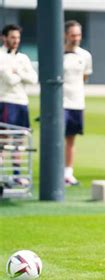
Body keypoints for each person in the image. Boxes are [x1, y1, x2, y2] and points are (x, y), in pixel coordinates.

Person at [0, 24, 38, 186]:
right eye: (12, 37)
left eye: (18, 38)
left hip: (22, 102)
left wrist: (18, 72)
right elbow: (10, 79)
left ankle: (17, 174)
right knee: (3, 139)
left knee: (19, 140)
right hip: (5, 101)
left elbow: (33, 79)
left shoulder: (23, 58)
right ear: (4, 38)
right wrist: (19, 75)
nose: (16, 41)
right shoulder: (1, 56)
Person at [63, 20, 93, 186]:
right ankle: (56, 171)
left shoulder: (85, 56)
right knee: (58, 139)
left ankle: (68, 173)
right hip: (61, 103)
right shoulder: (58, 54)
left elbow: (84, 77)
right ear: (66, 35)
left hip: (77, 103)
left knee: (71, 139)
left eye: (78, 35)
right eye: (73, 35)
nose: (76, 38)